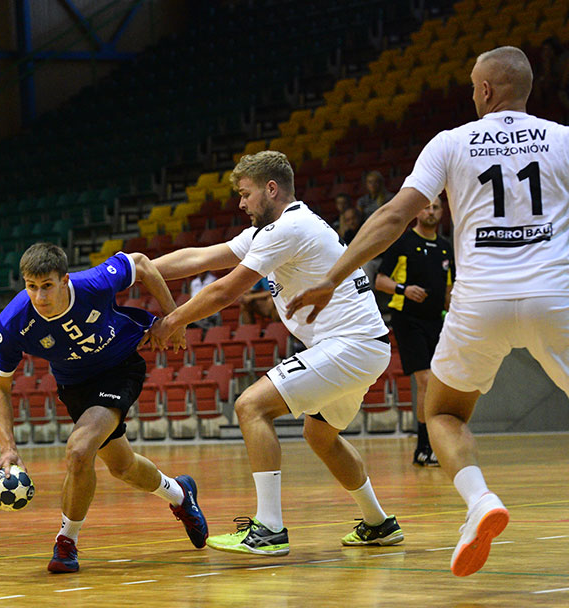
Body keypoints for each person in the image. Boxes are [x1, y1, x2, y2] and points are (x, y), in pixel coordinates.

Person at [286, 46, 569, 577]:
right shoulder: (563, 139)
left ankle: (480, 500)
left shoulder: (452, 142)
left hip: (479, 301)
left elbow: (394, 216)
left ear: (485, 90)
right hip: (554, 295)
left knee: (442, 413)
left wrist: (331, 277)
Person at [148, 150, 403, 556]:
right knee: (320, 436)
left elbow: (224, 291)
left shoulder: (288, 228)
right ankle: (378, 523)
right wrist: (136, 269)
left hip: (350, 344)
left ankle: (268, 529)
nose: (241, 203)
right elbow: (200, 257)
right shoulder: (273, 230)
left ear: (271, 189)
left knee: (251, 406)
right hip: (362, 345)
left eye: (245, 193)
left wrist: (171, 321)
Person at [0, 242, 208, 573]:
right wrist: (8, 449)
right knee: (123, 466)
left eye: (47, 286)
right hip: (75, 385)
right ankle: (180, 493)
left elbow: (142, 263)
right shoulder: (13, 321)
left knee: (79, 451)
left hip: (119, 368)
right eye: (31, 287)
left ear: (64, 280)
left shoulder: (94, 282)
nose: (40, 296)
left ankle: (66, 541)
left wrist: (174, 320)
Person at [375, 196, 454, 466]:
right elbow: (380, 281)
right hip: (408, 319)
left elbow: (449, 290)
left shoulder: (445, 248)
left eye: (436, 208)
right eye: (426, 207)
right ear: (417, 211)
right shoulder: (404, 242)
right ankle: (424, 447)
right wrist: (404, 289)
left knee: (440, 383)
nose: (431, 211)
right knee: (426, 381)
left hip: (437, 322)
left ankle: (433, 445)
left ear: (442, 212)